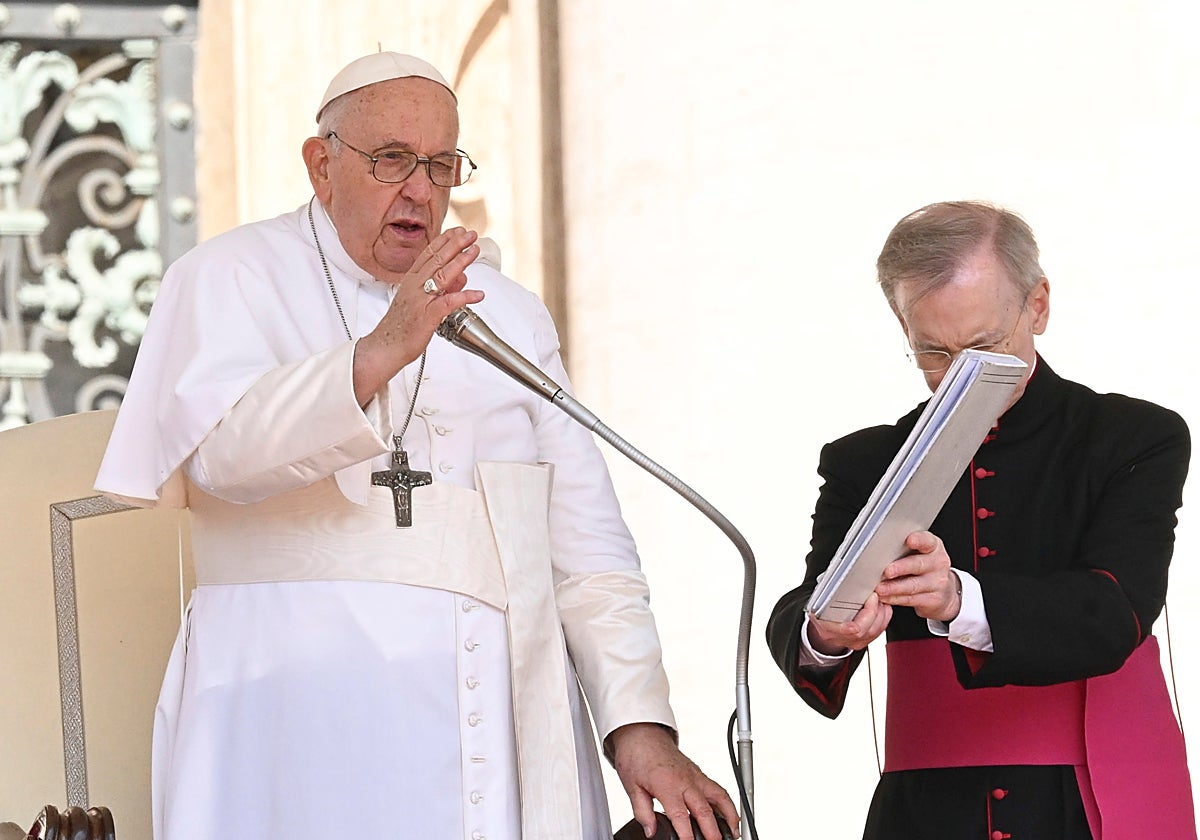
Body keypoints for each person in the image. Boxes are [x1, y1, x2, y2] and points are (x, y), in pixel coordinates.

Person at [96, 52, 739, 840]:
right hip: (286, 722)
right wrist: (375, 356)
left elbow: (588, 547)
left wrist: (641, 730)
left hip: (488, 725)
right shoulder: (227, 275)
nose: (421, 189)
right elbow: (220, 459)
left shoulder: (507, 312)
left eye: (440, 164)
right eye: (392, 159)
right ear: (320, 164)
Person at [766, 200, 1195, 839]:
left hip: (1086, 801)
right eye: (934, 353)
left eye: (986, 346)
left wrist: (957, 598)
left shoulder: (1132, 436)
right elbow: (805, 613)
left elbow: (1117, 611)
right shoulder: (864, 461)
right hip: (928, 813)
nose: (962, 375)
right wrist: (829, 632)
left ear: (1038, 306)